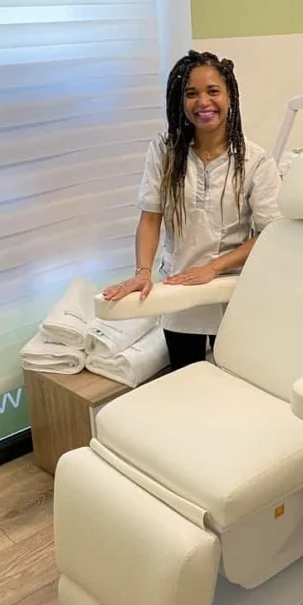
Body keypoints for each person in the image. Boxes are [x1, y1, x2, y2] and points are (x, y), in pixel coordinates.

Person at [102, 50, 282, 370]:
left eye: (213, 91)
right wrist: (142, 272)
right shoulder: (164, 151)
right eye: (191, 93)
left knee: (235, 379)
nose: (203, 102)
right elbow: (150, 217)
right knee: (185, 380)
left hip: (231, 291)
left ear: (230, 97)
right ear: (180, 100)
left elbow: (272, 235)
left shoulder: (256, 161)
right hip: (179, 291)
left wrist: (214, 268)